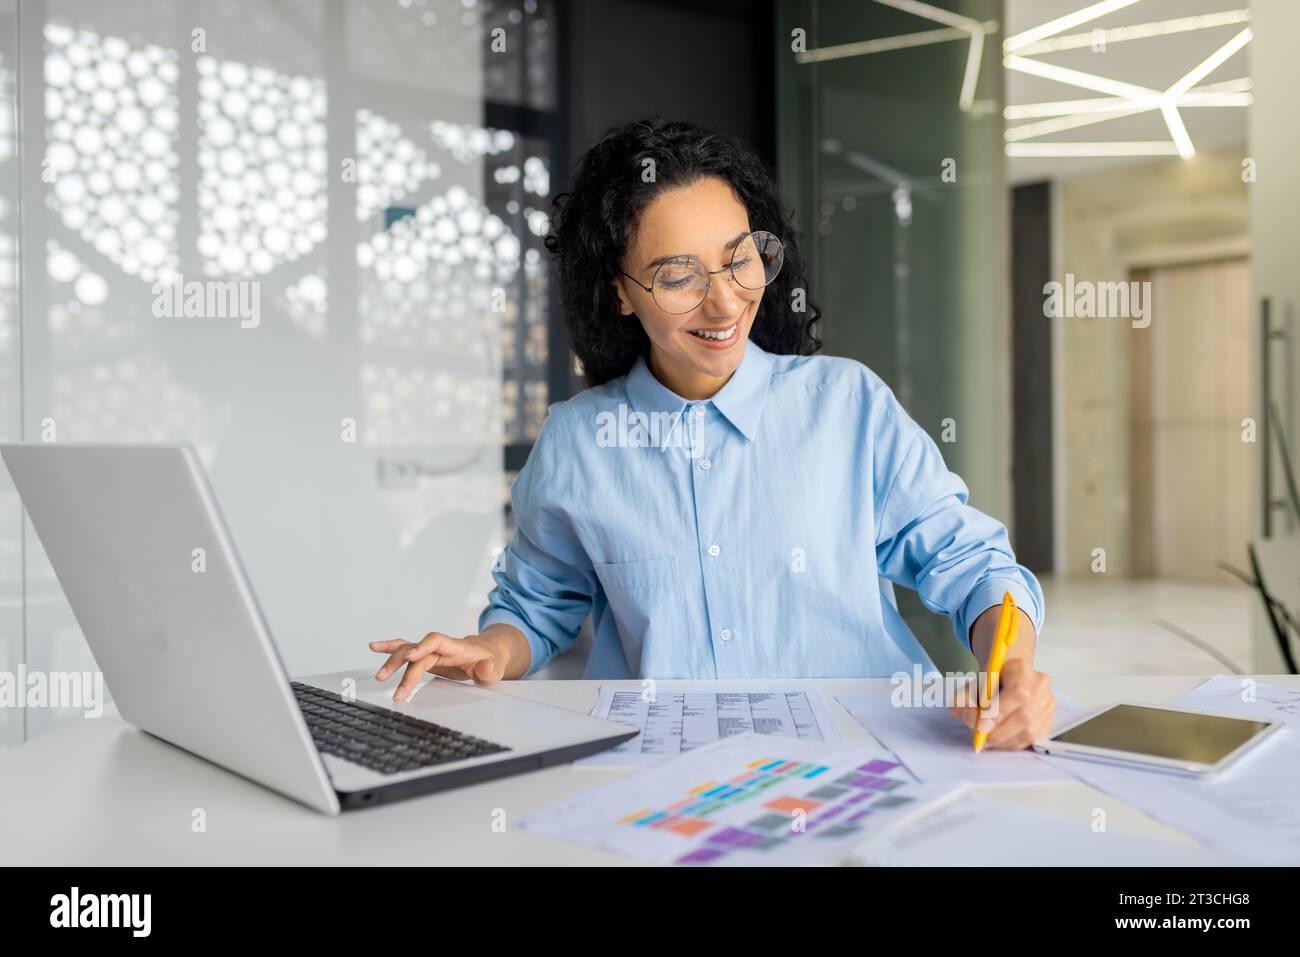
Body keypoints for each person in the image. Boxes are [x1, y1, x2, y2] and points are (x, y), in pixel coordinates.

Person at [369, 118, 1055, 750]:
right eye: (678, 276)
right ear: (619, 291)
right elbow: (537, 603)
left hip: (868, 755)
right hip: (667, 771)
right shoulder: (578, 443)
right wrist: (494, 648)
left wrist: (1012, 666)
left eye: (740, 259)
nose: (725, 301)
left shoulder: (847, 407)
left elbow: (972, 566)